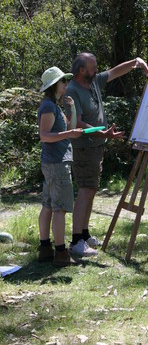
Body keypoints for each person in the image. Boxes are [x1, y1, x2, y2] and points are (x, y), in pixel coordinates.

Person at [64, 53, 148, 256]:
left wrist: (135, 62)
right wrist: (100, 132)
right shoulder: (72, 90)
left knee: (91, 190)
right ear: (82, 70)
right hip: (83, 147)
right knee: (85, 191)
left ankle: (84, 235)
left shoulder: (93, 81)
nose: (96, 70)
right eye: (93, 67)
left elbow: (114, 72)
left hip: (96, 146)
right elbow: (75, 122)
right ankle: (76, 241)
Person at [37, 66, 83, 267]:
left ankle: (45, 249)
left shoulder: (55, 106)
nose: (66, 83)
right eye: (63, 80)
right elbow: (45, 136)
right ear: (55, 85)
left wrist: (71, 109)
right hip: (56, 163)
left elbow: (70, 128)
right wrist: (69, 135)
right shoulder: (48, 106)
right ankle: (61, 253)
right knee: (59, 209)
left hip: (54, 162)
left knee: (48, 205)